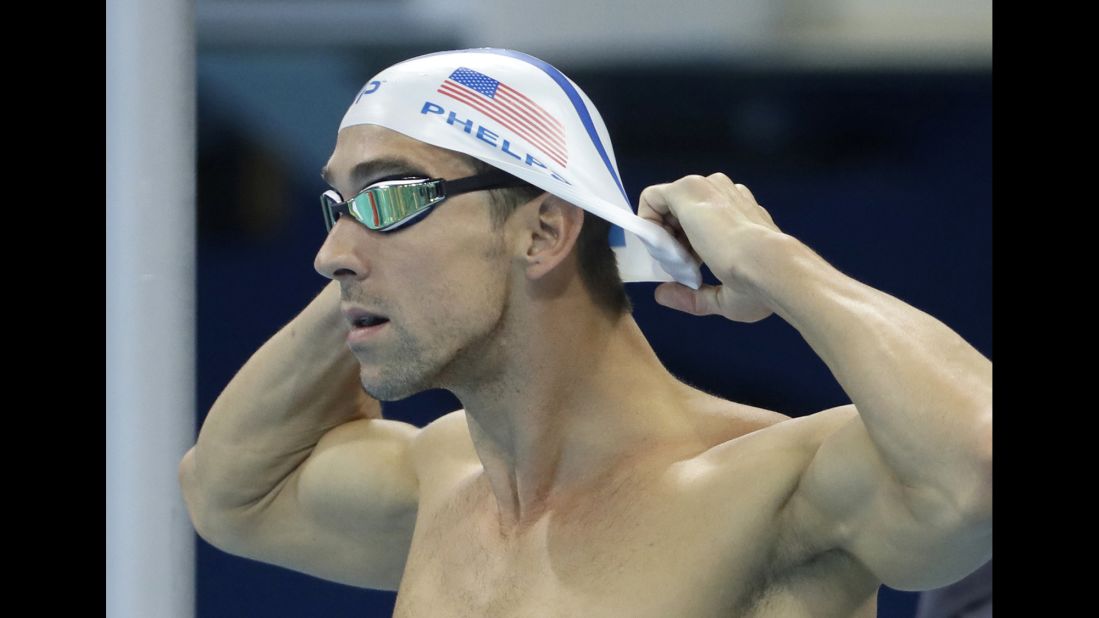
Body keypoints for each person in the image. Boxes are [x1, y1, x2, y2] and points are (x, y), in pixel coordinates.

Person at [180, 48, 991, 616]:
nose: (328, 254)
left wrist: (774, 262)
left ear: (542, 233)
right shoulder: (444, 486)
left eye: (390, 196)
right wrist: (385, 251)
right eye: (338, 207)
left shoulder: (771, 488)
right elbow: (230, 492)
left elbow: (976, 469)